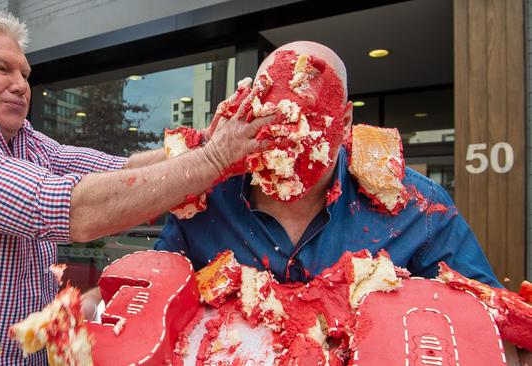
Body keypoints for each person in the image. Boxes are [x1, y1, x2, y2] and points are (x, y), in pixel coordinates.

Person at [0, 8, 272, 364]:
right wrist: (215, 158)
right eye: (3, 68)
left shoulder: (27, 143)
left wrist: (206, 141)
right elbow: (77, 209)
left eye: (25, 75)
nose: (21, 85)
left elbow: (122, 169)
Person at [155, 41, 501, 288]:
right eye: (273, 116)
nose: (289, 138)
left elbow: (486, 317)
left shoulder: (419, 207)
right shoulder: (204, 200)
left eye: (310, 119)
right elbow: (154, 292)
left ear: (346, 121)